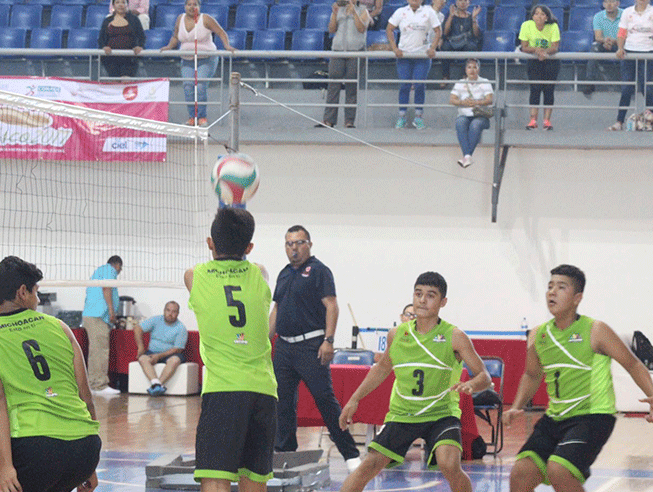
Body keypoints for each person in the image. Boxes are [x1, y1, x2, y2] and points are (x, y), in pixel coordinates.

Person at [503, 264, 653, 492]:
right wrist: (515, 407)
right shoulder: (538, 335)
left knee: (559, 470)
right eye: (550, 287)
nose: (552, 292)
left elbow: (633, 363)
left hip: (593, 417)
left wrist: (652, 394)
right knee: (520, 474)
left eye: (561, 287)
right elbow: (531, 374)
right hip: (555, 417)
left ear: (577, 298)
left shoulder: (596, 330)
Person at [338, 271, 491, 492]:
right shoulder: (397, 334)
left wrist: (473, 385)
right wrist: (354, 399)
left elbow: (484, 375)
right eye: (418, 293)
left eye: (430, 295)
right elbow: (381, 368)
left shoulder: (454, 336)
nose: (422, 299)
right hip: (403, 414)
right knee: (367, 466)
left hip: (441, 413)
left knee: (449, 464)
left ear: (443, 302)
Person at [0, 256, 101, 492]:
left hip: (36, 448)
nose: (37, 299)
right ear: (22, 293)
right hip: (86, 447)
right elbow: (84, 395)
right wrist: (89, 466)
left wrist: (6, 467)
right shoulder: (61, 327)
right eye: (36, 293)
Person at [184, 207, 277, 492]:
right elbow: (251, 264)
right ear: (249, 247)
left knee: (215, 478)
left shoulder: (194, 276)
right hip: (263, 392)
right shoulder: (259, 274)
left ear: (210, 242)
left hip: (224, 390)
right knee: (254, 480)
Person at [270, 225, 361, 472]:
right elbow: (276, 310)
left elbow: (332, 305)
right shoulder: (284, 274)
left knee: (325, 402)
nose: (294, 248)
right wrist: (266, 342)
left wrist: (328, 340)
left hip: (311, 346)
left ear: (309, 244)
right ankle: (285, 453)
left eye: (299, 243)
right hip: (284, 348)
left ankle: (351, 456)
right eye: (289, 244)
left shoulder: (320, 271)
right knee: (283, 403)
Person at [160, 0, 236, 127]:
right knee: (188, 86)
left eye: (195, 4)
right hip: (187, 59)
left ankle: (202, 117)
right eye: (189, 4)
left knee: (200, 86)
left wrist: (227, 46)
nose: (192, 7)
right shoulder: (180, 18)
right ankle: (192, 117)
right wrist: (169, 46)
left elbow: (221, 32)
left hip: (207, 59)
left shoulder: (206, 19)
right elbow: (175, 35)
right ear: (185, 7)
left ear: (199, 7)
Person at [609, 0, 653, 131]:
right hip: (629, 53)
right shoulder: (627, 12)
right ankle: (619, 122)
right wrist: (620, 47)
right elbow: (622, 32)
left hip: (647, 53)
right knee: (626, 89)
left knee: (647, 90)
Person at [387, 0, 441, 130]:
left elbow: (438, 30)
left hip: (422, 55)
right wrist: (394, 48)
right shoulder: (401, 12)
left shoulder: (428, 12)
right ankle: (402, 117)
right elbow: (389, 29)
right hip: (404, 55)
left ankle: (418, 117)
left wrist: (432, 48)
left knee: (419, 85)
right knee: (404, 85)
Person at [318, 0, 370, 128]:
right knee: (333, 85)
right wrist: (334, 14)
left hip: (356, 52)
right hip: (338, 51)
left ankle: (349, 121)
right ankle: (328, 120)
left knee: (351, 86)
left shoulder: (363, 10)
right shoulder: (338, 10)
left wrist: (353, 11)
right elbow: (331, 29)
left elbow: (361, 28)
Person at [82, 254, 123, 396]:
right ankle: (99, 385)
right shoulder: (109, 270)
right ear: (117, 265)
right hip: (98, 315)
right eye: (120, 269)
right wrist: (112, 311)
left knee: (96, 350)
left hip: (93, 315)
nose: (119, 272)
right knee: (100, 350)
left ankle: (94, 384)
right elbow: (107, 288)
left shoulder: (99, 271)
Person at [134, 300, 188, 396]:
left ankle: (158, 384)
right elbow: (138, 328)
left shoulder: (181, 328)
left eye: (174, 311)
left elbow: (177, 349)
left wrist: (158, 356)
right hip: (152, 352)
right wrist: (141, 347)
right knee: (142, 358)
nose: (170, 314)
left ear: (178, 313)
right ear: (164, 310)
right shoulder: (156, 320)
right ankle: (156, 383)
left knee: (175, 360)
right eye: (168, 310)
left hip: (170, 354)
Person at [519, 5, 560, 131]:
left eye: (542, 14)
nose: (539, 16)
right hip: (534, 61)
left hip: (550, 62)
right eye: (536, 14)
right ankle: (533, 120)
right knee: (535, 89)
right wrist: (536, 50)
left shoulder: (553, 26)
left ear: (547, 17)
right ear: (532, 16)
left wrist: (544, 53)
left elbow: (554, 47)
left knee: (548, 90)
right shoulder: (526, 25)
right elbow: (524, 47)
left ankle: (547, 121)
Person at [450, 58, 494, 168]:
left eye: (475, 67)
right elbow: (452, 100)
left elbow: (490, 100)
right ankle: (468, 156)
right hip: (464, 115)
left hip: (481, 116)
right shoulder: (460, 83)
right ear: (465, 70)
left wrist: (477, 102)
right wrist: (463, 102)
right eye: (469, 67)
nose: (472, 70)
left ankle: (466, 155)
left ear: (479, 69)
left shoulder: (485, 82)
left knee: (475, 125)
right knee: (460, 123)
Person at [582, 0, 622, 96]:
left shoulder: (625, 15)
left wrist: (613, 42)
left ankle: (628, 84)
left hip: (621, 44)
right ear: (603, 4)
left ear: (617, 3)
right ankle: (589, 83)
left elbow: (627, 36)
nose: (609, 4)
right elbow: (598, 37)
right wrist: (605, 41)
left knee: (629, 48)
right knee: (595, 47)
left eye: (612, 1)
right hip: (604, 44)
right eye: (606, 2)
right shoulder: (598, 16)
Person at [440, 0, 482, 86]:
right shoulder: (450, 14)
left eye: (465, 0)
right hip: (452, 41)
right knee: (445, 47)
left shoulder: (471, 16)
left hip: (466, 42)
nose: (462, 2)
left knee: (471, 47)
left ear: (469, 3)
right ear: (456, 2)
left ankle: (465, 76)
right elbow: (445, 32)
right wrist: (451, 16)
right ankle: (445, 76)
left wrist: (474, 19)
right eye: (460, 0)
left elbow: (476, 35)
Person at [99, 0, 145, 78]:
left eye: (123, 2)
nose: (121, 5)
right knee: (114, 84)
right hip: (111, 59)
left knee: (126, 82)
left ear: (127, 5)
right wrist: (104, 47)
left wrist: (140, 46)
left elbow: (141, 37)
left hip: (129, 59)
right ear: (113, 5)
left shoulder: (134, 20)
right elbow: (101, 39)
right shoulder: (107, 21)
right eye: (117, 2)